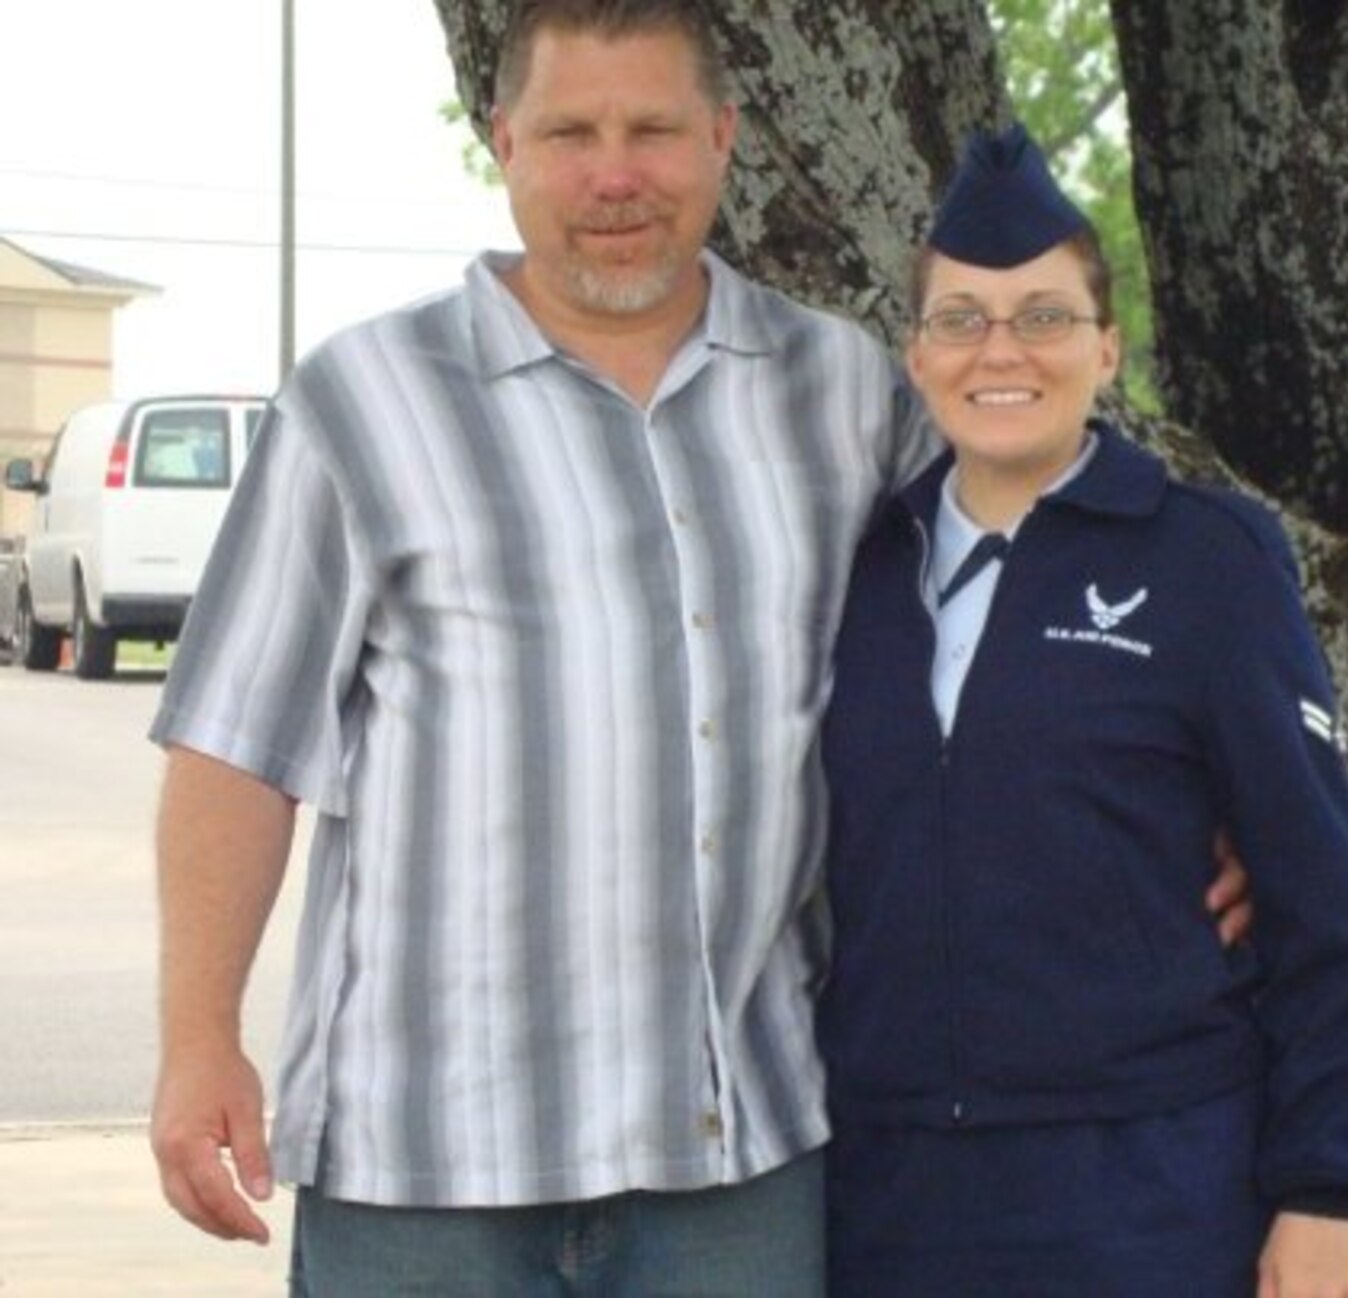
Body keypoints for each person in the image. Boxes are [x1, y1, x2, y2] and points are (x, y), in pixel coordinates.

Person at [146, 4, 1244, 1293]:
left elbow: (1034, 576)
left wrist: (1211, 792)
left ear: (724, 138)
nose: (615, 173)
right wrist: (198, 1036)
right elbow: (235, 742)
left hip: (738, 1168)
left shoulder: (844, 395)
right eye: (571, 132)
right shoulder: (359, 403)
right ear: (503, 143)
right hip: (424, 1168)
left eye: (655, 129)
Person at [816, 125, 1348, 1296]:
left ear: (1105, 347)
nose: (1002, 350)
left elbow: (1317, 892)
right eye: (960, 318)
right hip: (888, 1199)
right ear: (915, 354)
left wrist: (1327, 1187)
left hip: (1144, 1190)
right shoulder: (852, 567)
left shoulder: (1207, 558)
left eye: (1042, 316)